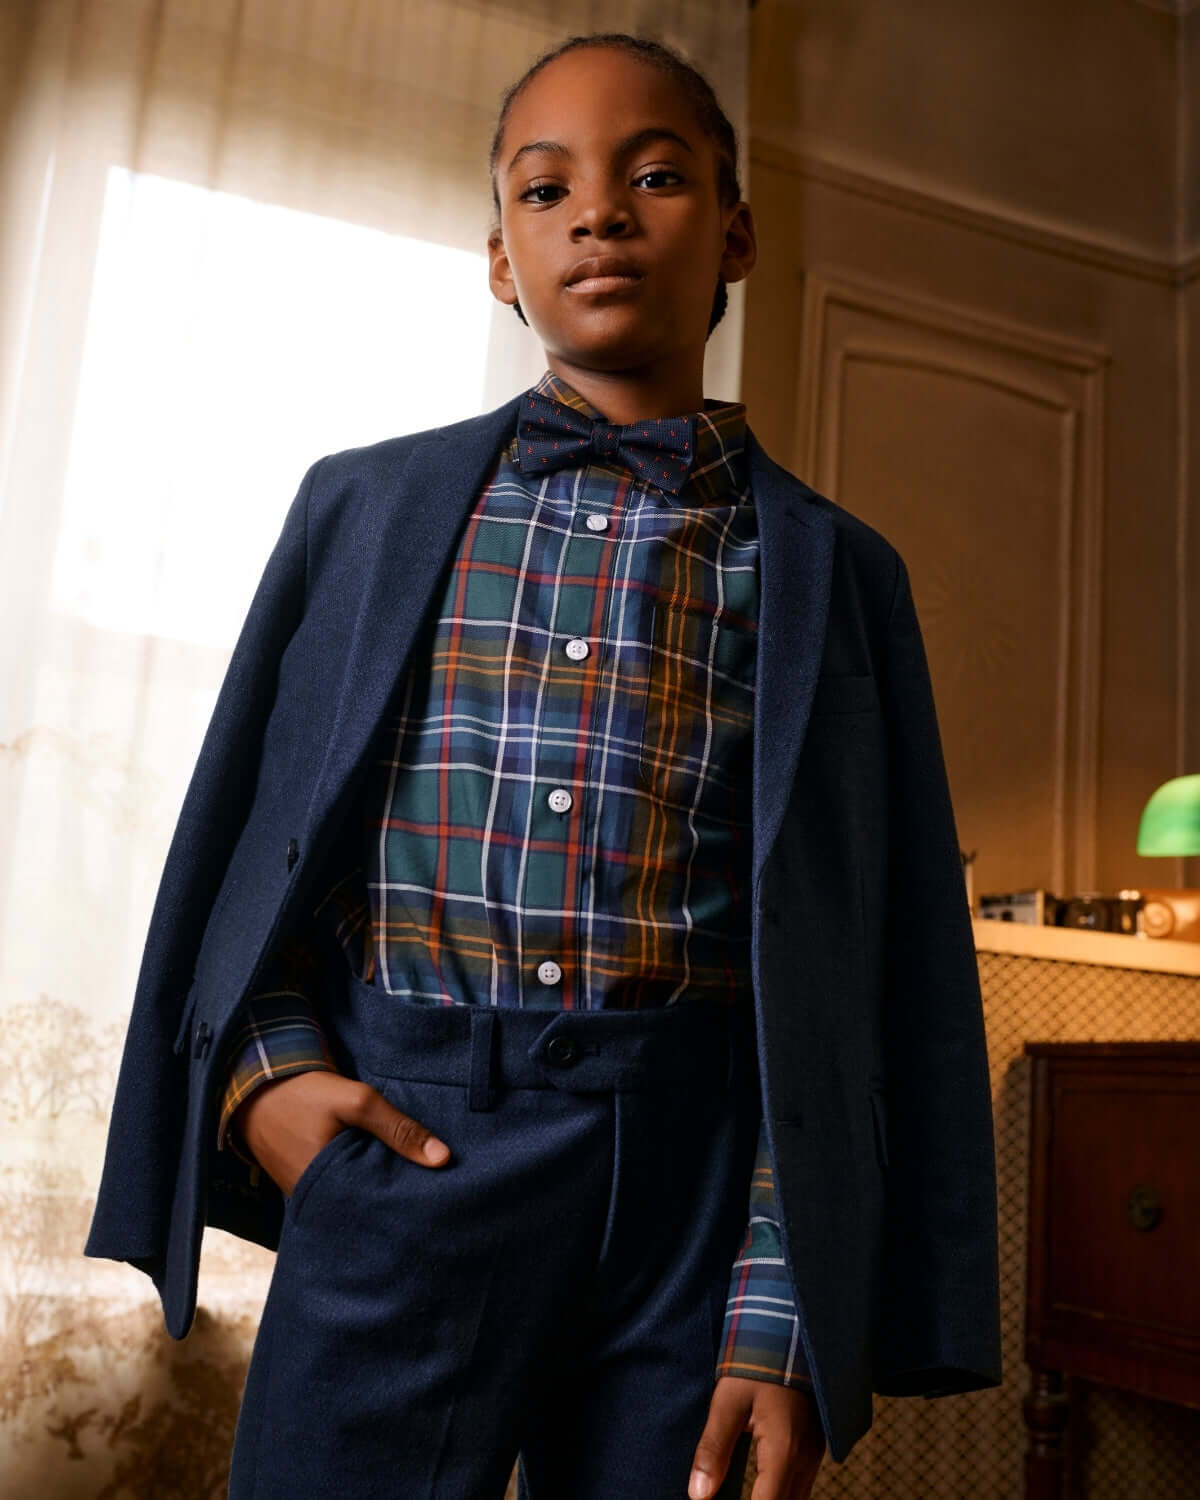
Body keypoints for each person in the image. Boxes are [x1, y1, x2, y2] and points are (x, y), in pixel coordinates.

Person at [84, 30, 1001, 1500]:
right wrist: (267, 1076)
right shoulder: (364, 511)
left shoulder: (840, 575)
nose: (600, 213)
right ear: (502, 260)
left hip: (699, 1207)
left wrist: (779, 1314)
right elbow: (253, 838)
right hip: (410, 1153)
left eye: (656, 175)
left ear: (738, 233)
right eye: (545, 188)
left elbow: (864, 972)